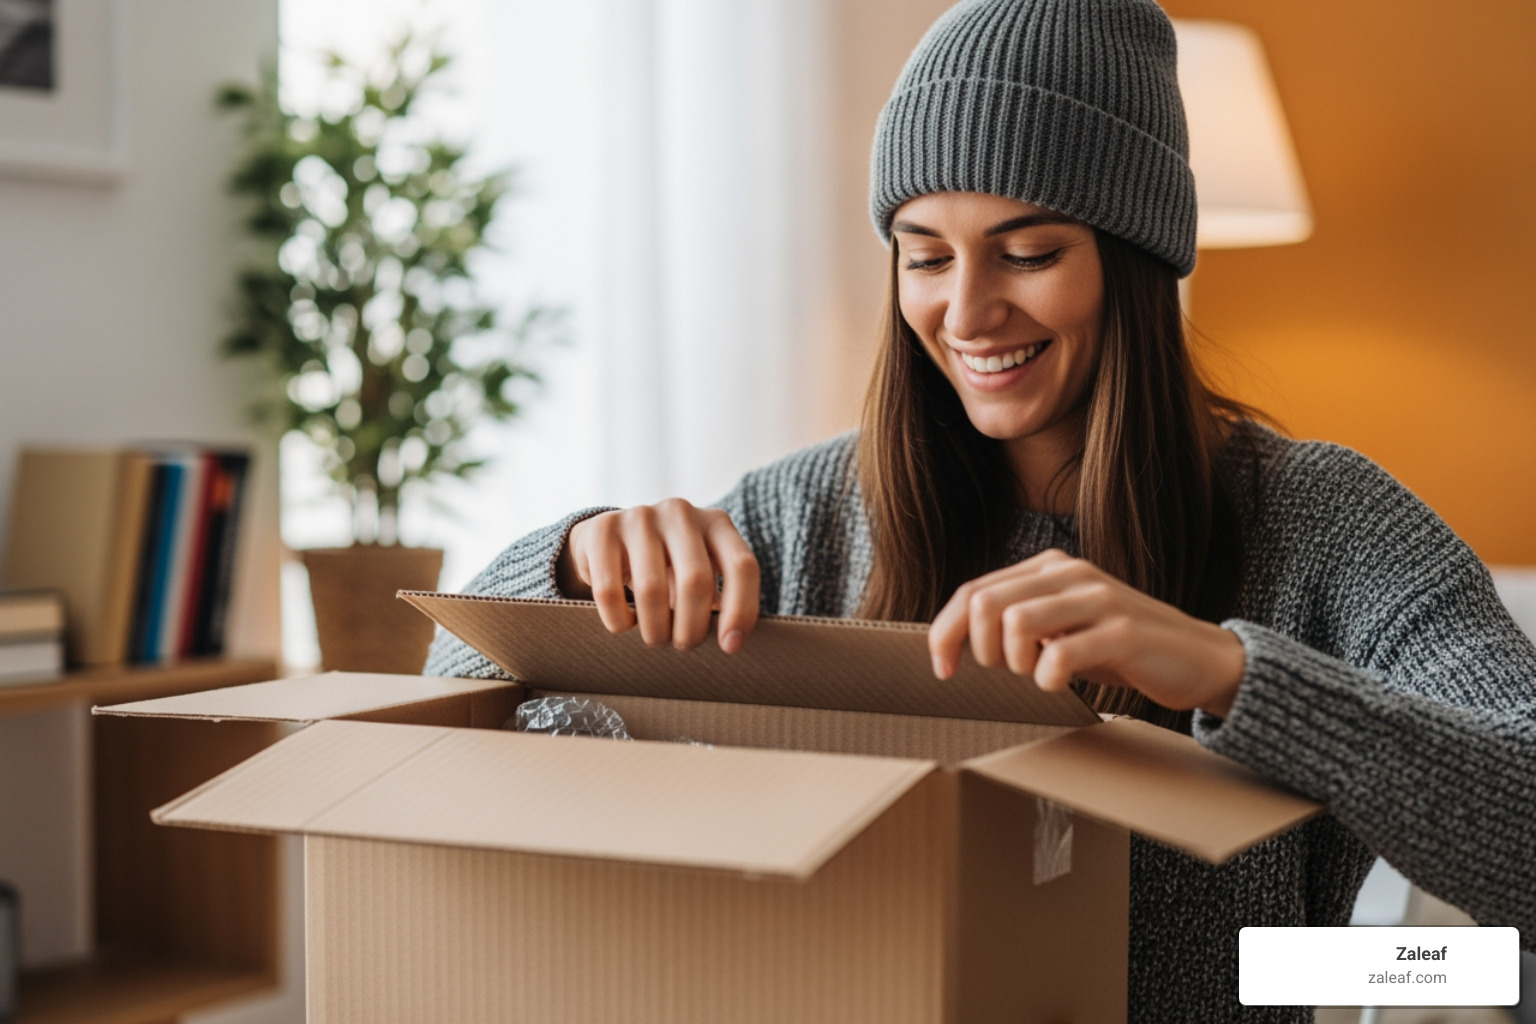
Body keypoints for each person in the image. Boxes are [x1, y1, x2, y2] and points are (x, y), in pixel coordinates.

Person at [425, 0, 1536, 1018]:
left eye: (1029, 252)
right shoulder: (808, 512)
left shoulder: (1325, 521)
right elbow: (441, 725)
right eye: (924, 257)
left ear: (1136, 260)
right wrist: (567, 563)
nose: (967, 310)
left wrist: (1231, 675)